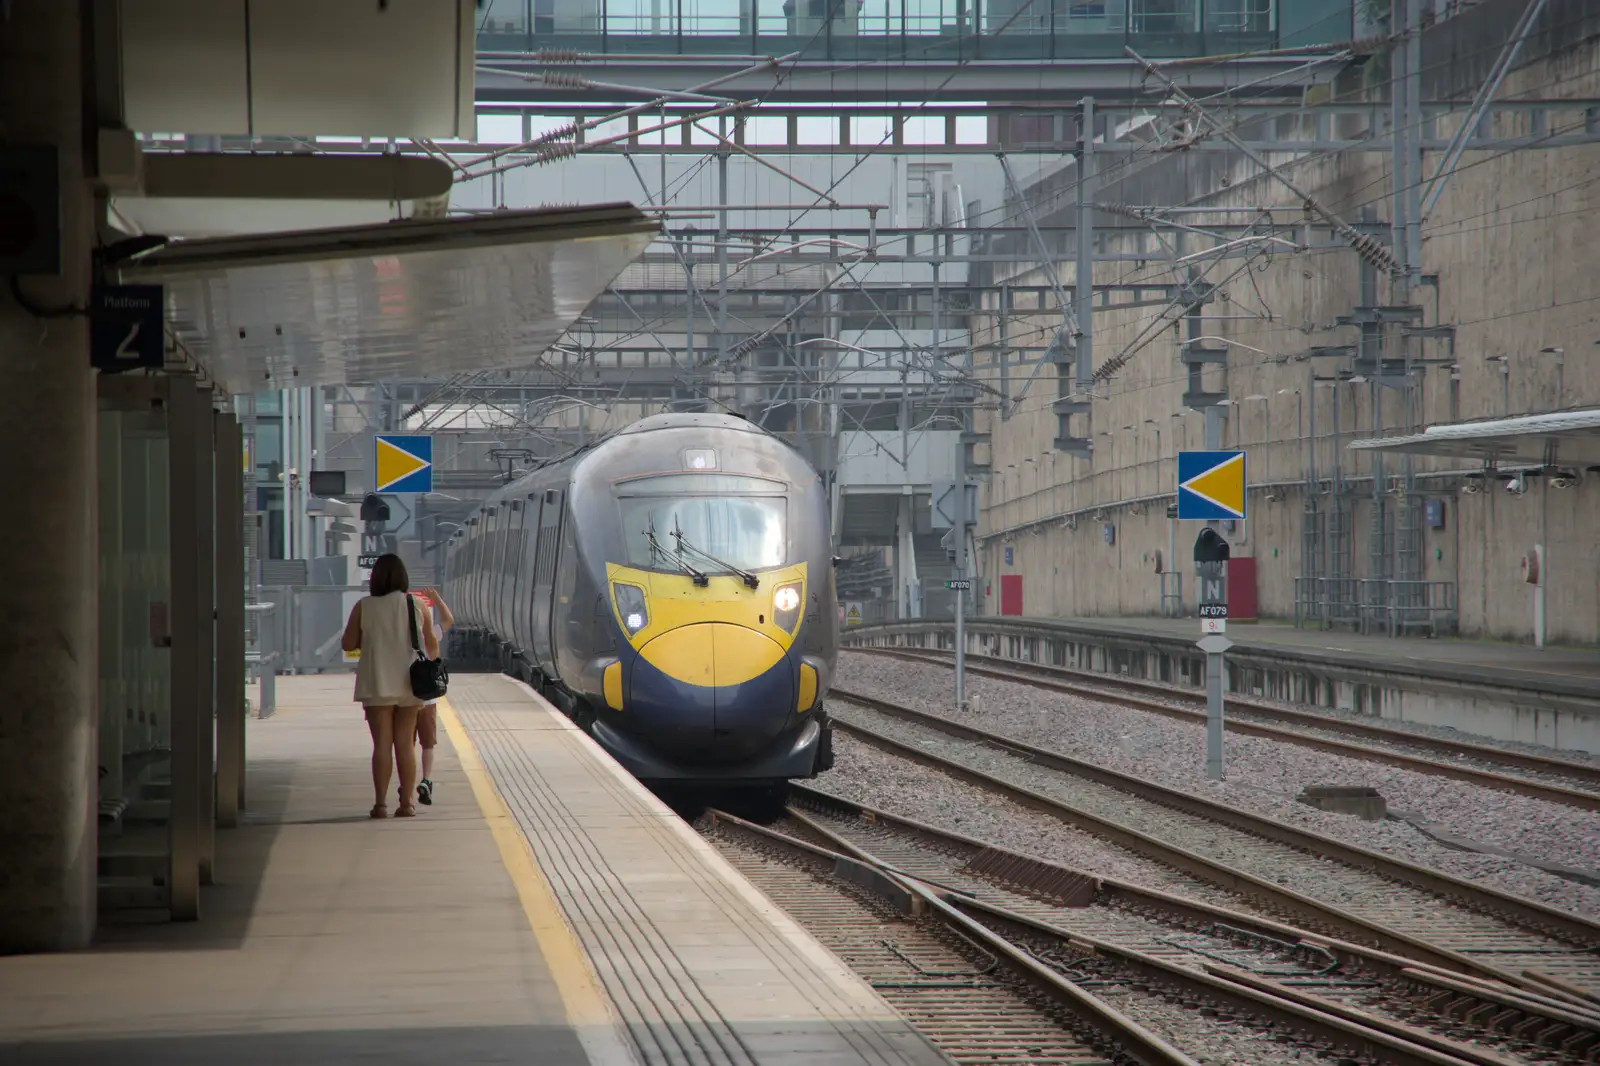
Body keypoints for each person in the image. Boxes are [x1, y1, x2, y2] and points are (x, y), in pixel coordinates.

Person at [341, 554, 438, 819]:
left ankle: (381, 804)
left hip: (377, 682)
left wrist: (369, 639)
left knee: (382, 746)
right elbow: (432, 646)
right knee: (405, 744)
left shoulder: (365, 606)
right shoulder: (417, 604)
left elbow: (348, 644)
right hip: (410, 683)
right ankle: (407, 803)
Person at [407, 587, 453, 806]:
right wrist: (437, 599)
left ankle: (405, 784)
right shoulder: (431, 634)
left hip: (406, 700)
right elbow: (449, 619)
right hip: (428, 700)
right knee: (428, 745)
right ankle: (426, 780)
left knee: (406, 745)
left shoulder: (403, 639)